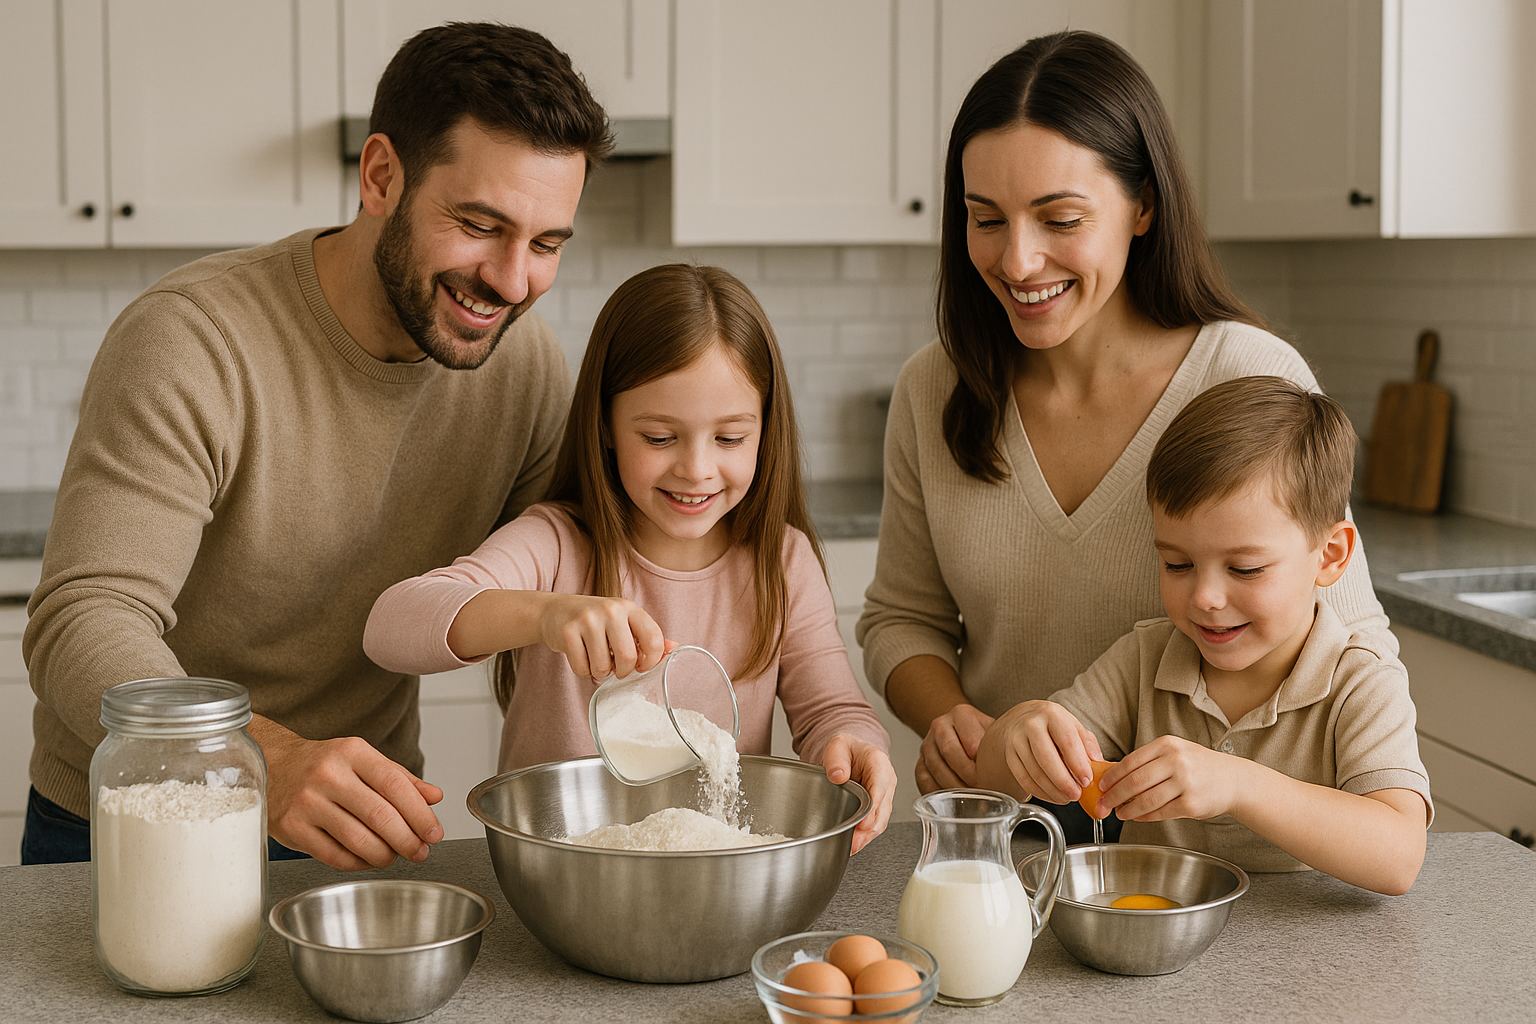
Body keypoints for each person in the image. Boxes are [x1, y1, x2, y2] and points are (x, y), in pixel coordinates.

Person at [22, 23, 611, 870]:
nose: (515, 281)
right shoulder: (195, 339)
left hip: (360, 822)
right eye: (481, 225)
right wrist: (261, 759)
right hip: (135, 820)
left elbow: (563, 572)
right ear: (381, 177)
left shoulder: (523, 366)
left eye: (547, 243)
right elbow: (84, 621)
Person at [854, 31, 1394, 843]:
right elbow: (900, 620)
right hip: (1013, 845)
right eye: (984, 219)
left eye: (1060, 218)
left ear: (1143, 205)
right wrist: (957, 720)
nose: (1018, 258)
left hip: (1211, 869)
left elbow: (1351, 637)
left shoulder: (1246, 375)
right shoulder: (935, 389)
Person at [364, 264, 897, 853]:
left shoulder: (783, 562)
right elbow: (391, 625)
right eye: (660, 438)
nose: (696, 470)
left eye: (729, 439)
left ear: (765, 431)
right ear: (608, 426)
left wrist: (853, 743)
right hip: (560, 873)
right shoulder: (557, 544)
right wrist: (545, 614)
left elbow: (832, 712)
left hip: (720, 877)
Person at [975, 377, 1431, 894]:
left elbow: (1399, 857)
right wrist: (1019, 731)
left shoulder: (1361, 682)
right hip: (1153, 954)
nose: (1205, 598)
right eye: (1178, 563)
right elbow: (989, 784)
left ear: (1329, 556)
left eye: (1245, 569)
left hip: (1310, 962)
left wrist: (1239, 784)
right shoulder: (1143, 660)